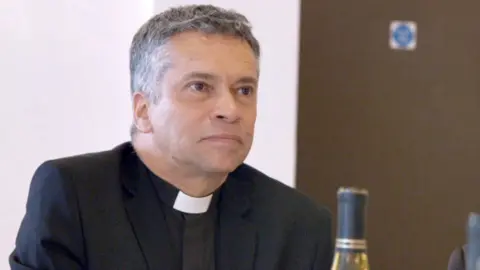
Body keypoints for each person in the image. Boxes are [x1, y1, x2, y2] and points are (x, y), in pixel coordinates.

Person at [9, 4, 333, 270]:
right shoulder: (74, 197)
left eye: (244, 90)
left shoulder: (297, 224)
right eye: (200, 87)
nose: (230, 109)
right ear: (144, 110)